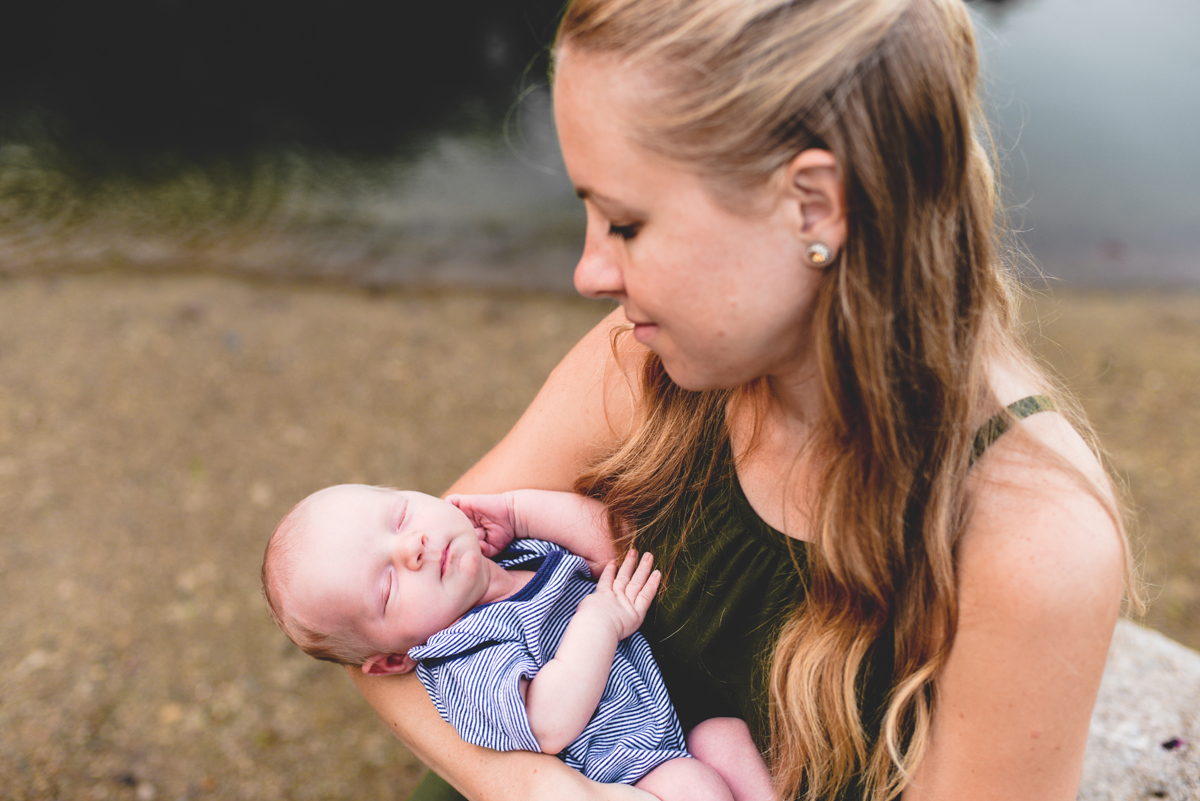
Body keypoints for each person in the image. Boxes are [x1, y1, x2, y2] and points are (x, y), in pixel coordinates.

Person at [346, 0, 1136, 799]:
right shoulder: (640, 360)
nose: (589, 272)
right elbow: (365, 629)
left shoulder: (1030, 548)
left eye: (623, 221)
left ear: (813, 206)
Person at [262, 484, 776, 801]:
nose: (411, 547)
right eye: (388, 585)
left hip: (664, 738)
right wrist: (597, 622)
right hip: (621, 780)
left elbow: (613, 548)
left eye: (399, 518)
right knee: (694, 787)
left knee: (724, 736)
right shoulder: (462, 658)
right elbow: (548, 724)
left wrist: (520, 510)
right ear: (394, 658)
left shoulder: (519, 555)